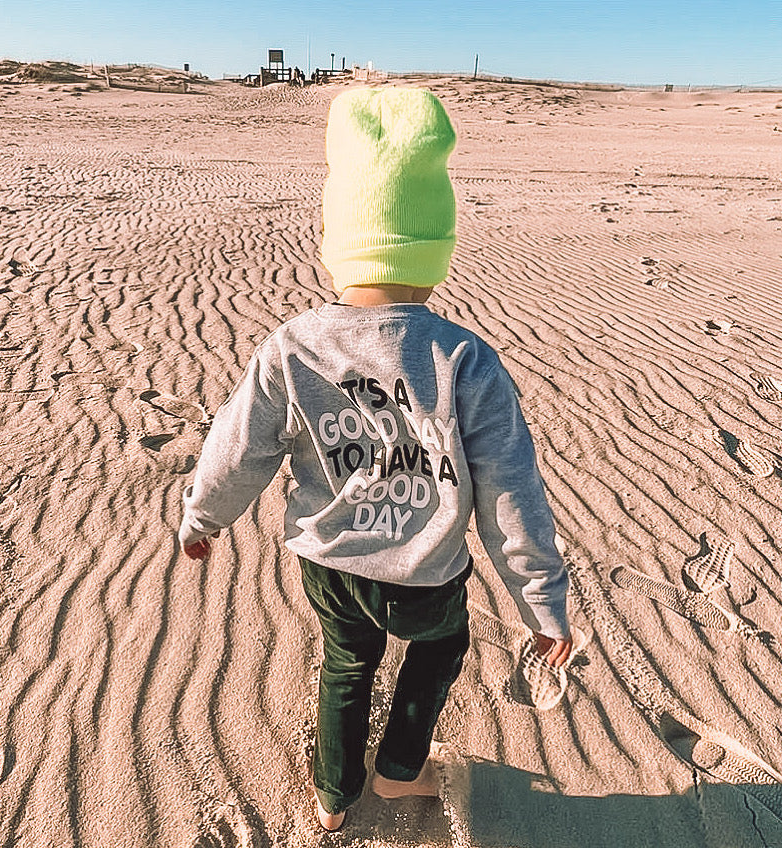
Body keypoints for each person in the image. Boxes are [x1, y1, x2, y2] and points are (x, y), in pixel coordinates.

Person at [179, 87, 572, 832]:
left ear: (340, 244)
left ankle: (333, 797)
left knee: (346, 664)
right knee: (441, 646)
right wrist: (541, 601)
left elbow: (239, 446)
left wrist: (203, 515)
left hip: (329, 561)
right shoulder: (466, 358)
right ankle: (397, 771)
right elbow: (510, 491)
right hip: (426, 570)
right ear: (436, 249)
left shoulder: (293, 345)